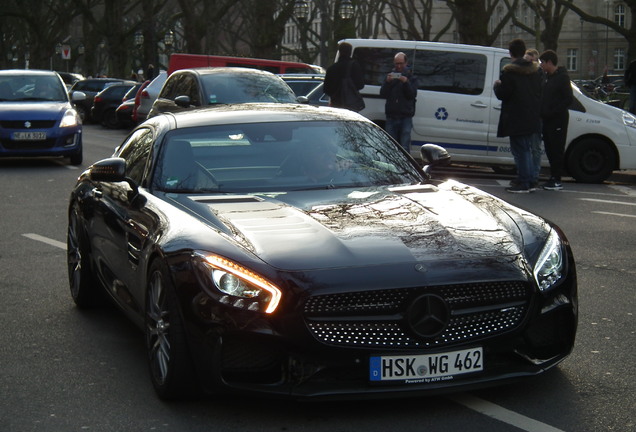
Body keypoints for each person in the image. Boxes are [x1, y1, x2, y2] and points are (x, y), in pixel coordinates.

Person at [493, 38, 542, 194]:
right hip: (531, 115)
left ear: (510, 52)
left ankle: (524, 181)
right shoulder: (534, 71)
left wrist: (497, 86)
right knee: (526, 148)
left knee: (520, 150)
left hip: (516, 116)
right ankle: (528, 179)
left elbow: (504, 94)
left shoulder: (510, 72)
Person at [539, 49, 573, 191]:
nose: (541, 65)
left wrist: (552, 112)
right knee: (549, 148)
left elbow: (568, 99)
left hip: (557, 120)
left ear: (549, 62)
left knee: (556, 148)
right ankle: (553, 177)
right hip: (547, 120)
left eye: (542, 63)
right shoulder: (548, 77)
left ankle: (557, 179)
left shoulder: (562, 78)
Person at [379, 52, 419, 153]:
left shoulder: (412, 78)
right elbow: (382, 94)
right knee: (390, 146)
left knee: (404, 147)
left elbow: (411, 95)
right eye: (397, 64)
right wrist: (387, 82)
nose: (399, 66)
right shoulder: (390, 77)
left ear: (406, 63)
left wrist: (405, 82)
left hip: (405, 116)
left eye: (401, 63)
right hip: (391, 116)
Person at [524, 48, 545, 188]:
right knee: (527, 148)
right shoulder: (524, 73)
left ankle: (534, 175)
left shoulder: (540, 75)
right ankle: (529, 174)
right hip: (527, 115)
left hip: (535, 115)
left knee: (534, 148)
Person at [324, 42, 364, 111]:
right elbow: (360, 85)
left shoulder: (331, 69)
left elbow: (326, 89)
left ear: (339, 52)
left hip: (336, 104)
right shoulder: (355, 66)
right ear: (350, 52)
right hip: (351, 104)